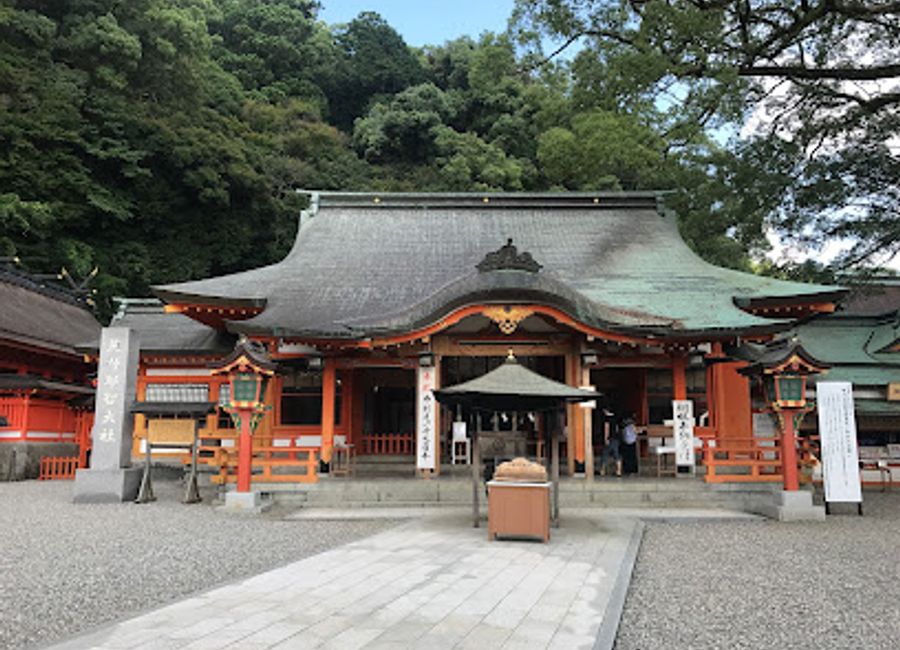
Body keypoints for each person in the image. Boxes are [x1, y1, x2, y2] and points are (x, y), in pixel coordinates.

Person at [598, 409, 622, 477]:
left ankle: (602, 471)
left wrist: (606, 438)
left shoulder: (607, 419)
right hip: (616, 439)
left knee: (605, 454)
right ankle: (619, 471)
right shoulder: (616, 419)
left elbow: (607, 429)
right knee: (617, 455)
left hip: (610, 438)